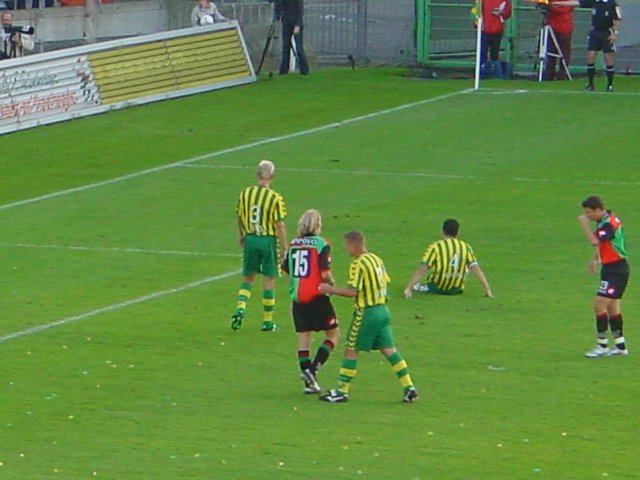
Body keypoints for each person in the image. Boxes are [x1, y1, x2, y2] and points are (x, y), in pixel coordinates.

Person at [318, 231, 418, 404]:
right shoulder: (376, 259)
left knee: (351, 349)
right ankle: (409, 387)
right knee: (389, 350)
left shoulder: (358, 264)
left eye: (347, 246)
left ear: (354, 245)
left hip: (367, 312)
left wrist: (329, 289)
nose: (346, 249)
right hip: (383, 310)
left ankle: (342, 391)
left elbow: (352, 292)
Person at [281, 209, 339, 394]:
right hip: (316, 296)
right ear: (317, 225)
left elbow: (285, 268)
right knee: (333, 335)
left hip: (297, 297)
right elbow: (325, 273)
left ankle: (309, 384)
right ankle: (312, 371)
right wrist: (332, 284)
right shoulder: (321, 244)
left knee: (304, 337)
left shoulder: (293, 244)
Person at [231, 160, 287, 332]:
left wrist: (241, 236)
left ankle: (241, 308)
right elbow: (279, 224)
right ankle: (267, 322)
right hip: (267, 240)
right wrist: (284, 248)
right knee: (269, 279)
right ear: (272, 177)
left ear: (257, 175)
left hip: (250, 239)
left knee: (248, 278)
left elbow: (240, 217)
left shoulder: (245, 194)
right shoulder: (275, 198)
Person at [578, 196, 630, 358]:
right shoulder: (605, 221)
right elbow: (604, 244)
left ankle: (602, 346)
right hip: (611, 269)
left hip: (616, 271)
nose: (588, 216)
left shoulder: (608, 224)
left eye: (589, 213)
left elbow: (594, 241)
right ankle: (620, 346)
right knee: (612, 308)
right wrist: (594, 260)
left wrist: (584, 225)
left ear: (598, 210)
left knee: (599, 305)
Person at [404, 219, 494, 299]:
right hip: (456, 289)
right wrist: (487, 289)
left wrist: (409, 288)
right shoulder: (465, 247)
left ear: (442, 232)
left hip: (437, 288)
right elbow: (475, 268)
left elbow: (422, 269)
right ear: (458, 233)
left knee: (416, 286)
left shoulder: (436, 247)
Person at [555, 0, 621, 91]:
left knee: (608, 58)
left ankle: (610, 85)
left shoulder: (612, 3)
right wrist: (560, 3)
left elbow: (617, 18)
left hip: (607, 32)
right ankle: (590, 84)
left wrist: (615, 33)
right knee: (590, 57)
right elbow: (578, 2)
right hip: (595, 32)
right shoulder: (594, 2)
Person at [545, 0, 575, 80]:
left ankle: (562, 75)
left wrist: (553, 6)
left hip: (565, 28)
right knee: (551, 53)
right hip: (552, 28)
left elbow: (566, 8)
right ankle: (549, 75)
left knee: (565, 54)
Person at [279, 0, 310, 75]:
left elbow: (300, 10)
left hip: (295, 23)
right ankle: (284, 70)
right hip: (286, 23)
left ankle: (304, 70)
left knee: (299, 48)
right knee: (285, 47)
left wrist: (298, 25)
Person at [480, 0, 512, 65]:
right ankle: (485, 69)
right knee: (484, 52)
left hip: (494, 29)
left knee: (492, 52)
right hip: (487, 28)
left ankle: (488, 69)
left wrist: (501, 12)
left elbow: (508, 13)